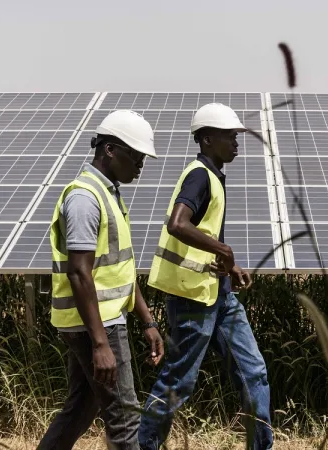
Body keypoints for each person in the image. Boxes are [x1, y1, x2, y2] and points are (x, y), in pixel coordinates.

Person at [138, 103, 273, 449]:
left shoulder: (213, 176)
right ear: (207, 139)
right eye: (230, 136)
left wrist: (230, 265)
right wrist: (224, 251)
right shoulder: (199, 175)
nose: (236, 142)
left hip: (219, 294)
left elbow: (204, 233)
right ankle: (144, 445)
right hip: (192, 298)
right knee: (178, 382)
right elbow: (178, 224)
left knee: (253, 372)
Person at [38, 110, 165, 450]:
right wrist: (99, 344)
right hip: (97, 325)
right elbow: (79, 272)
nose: (140, 164)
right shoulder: (85, 198)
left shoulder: (108, 194)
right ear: (109, 149)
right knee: (125, 419)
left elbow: (120, 269)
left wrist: (148, 320)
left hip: (97, 321)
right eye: (135, 155)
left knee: (82, 407)